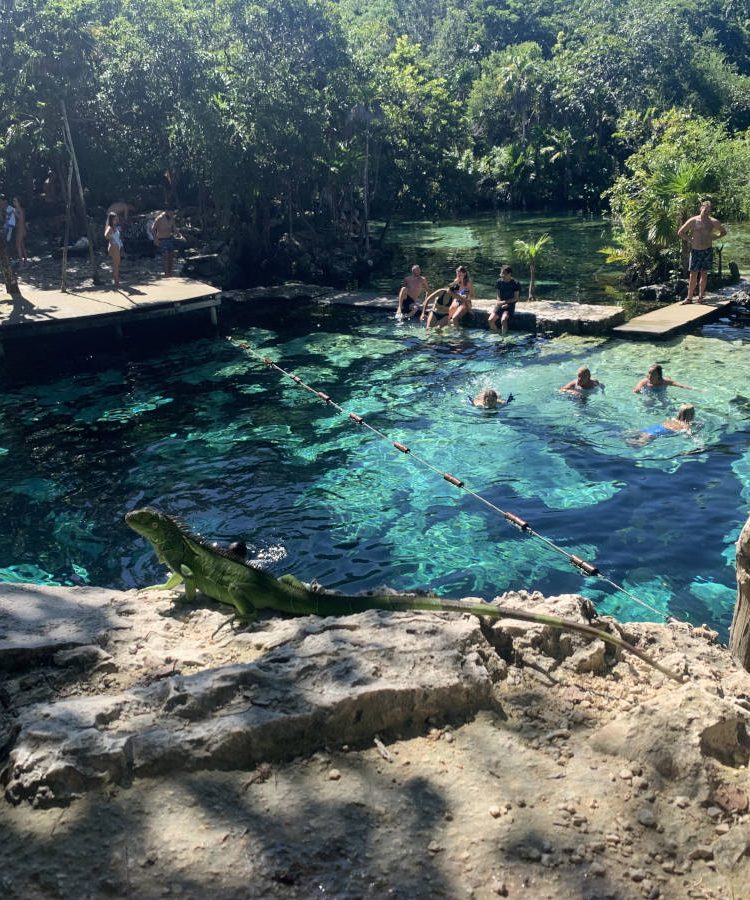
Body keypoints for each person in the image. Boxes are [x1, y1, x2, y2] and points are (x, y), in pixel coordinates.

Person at [677, 201, 726, 304]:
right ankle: (689, 298)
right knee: (693, 274)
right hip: (695, 250)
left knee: (704, 274)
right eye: (705, 210)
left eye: (709, 211)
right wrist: (690, 240)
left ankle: (701, 297)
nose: (706, 212)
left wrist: (715, 237)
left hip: (707, 250)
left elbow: (723, 232)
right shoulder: (693, 220)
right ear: (701, 209)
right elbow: (681, 232)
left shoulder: (713, 222)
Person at [629, 404, 696, 446]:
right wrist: (699, 443)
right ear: (691, 415)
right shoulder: (685, 425)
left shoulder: (672, 419)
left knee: (627, 434)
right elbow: (690, 435)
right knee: (637, 445)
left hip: (650, 429)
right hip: (653, 435)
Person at [489, 265, 521, 335]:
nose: (502, 276)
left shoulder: (515, 283)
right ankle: (498, 334)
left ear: (509, 274)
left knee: (503, 320)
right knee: (490, 320)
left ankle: (504, 336)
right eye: (501, 273)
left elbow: (516, 298)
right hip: (500, 303)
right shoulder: (499, 282)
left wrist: (505, 303)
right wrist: (499, 302)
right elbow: (498, 295)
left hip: (510, 304)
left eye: (504, 274)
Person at [153, 208, 178, 276]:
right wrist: (155, 239)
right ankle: (166, 273)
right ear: (167, 211)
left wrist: (179, 234)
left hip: (169, 238)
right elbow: (153, 229)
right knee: (165, 255)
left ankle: (170, 272)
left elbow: (174, 228)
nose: (172, 213)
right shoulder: (159, 218)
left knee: (171, 255)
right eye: (171, 212)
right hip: (162, 239)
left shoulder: (172, 218)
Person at [104, 211, 124, 288]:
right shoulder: (110, 227)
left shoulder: (115, 227)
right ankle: (116, 282)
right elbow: (106, 236)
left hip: (117, 246)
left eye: (117, 219)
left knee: (117, 265)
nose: (117, 220)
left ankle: (116, 281)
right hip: (114, 247)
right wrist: (112, 239)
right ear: (112, 220)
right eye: (115, 219)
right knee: (116, 265)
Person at [12, 198, 27, 263]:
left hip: (20, 229)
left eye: (15, 201)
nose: (13, 202)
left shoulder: (18, 209)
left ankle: (21, 263)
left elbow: (21, 219)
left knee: (18, 246)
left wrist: (15, 213)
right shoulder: (21, 209)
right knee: (22, 246)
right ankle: (26, 262)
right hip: (22, 229)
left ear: (19, 202)